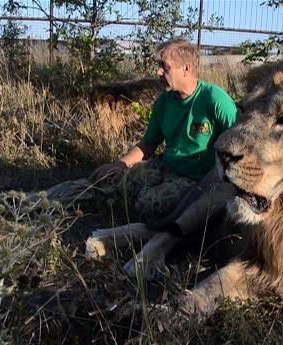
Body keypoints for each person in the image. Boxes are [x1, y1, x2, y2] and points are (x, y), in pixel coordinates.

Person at [90, 38, 237, 277]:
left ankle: (151, 232)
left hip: (196, 180)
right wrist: (119, 164)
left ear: (186, 68)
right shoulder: (164, 101)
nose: (158, 72)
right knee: (110, 181)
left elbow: (236, 141)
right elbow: (149, 144)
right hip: (165, 166)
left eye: (164, 67)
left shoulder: (215, 99)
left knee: (150, 204)